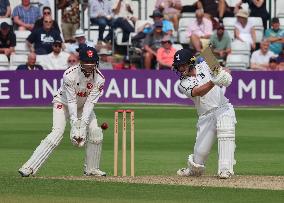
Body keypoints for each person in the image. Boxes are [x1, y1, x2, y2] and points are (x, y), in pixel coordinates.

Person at [18, 46, 107, 177]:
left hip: (83, 106)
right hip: (63, 103)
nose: (89, 66)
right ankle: (29, 167)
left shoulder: (100, 79)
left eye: (92, 63)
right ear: (80, 62)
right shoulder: (69, 74)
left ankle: (91, 169)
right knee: (57, 133)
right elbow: (71, 101)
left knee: (96, 131)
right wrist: (74, 124)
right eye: (87, 63)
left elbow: (90, 103)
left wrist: (82, 125)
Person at [172, 48, 236, 179]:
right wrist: (213, 81)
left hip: (223, 108)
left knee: (226, 128)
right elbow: (198, 92)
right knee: (200, 154)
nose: (181, 69)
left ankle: (225, 170)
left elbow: (224, 74)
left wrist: (224, 75)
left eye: (183, 65)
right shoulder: (183, 84)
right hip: (205, 116)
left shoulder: (206, 65)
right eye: (178, 67)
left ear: (191, 63)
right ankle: (193, 169)